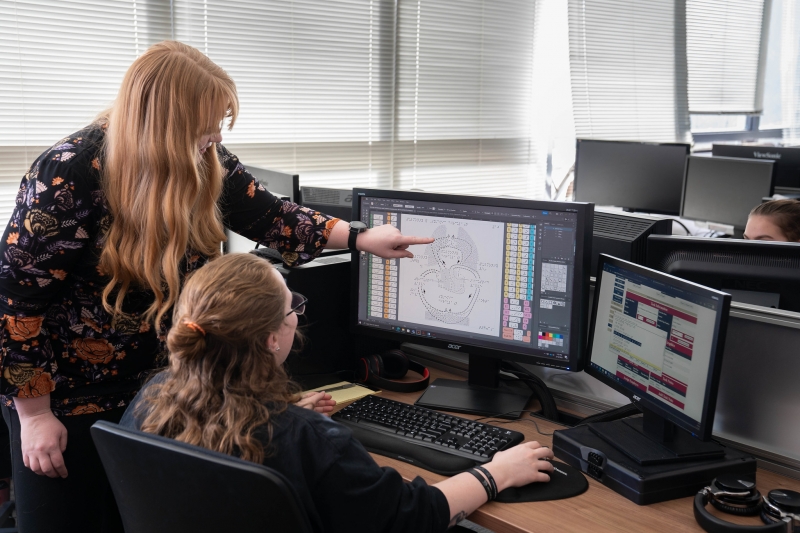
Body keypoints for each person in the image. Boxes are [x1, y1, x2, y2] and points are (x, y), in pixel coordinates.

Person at [0, 41, 432, 533]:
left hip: (164, 389)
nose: (216, 135)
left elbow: (270, 214)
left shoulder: (203, 155)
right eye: (206, 124)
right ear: (166, 124)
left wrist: (359, 237)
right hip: (69, 396)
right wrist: (34, 415)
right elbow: (16, 304)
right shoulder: (68, 171)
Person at [120, 253, 555, 533]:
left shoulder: (151, 398)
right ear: (271, 338)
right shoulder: (305, 438)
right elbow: (413, 517)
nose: (297, 316)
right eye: (292, 306)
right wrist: (496, 473)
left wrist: (288, 415)